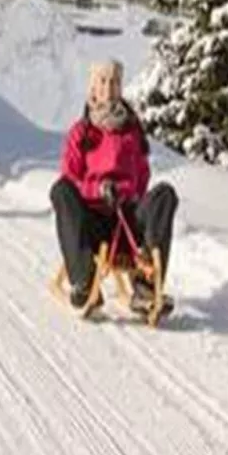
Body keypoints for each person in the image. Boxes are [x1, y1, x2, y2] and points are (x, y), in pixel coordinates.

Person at [50, 59, 177, 319]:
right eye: (103, 81)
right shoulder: (81, 132)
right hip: (93, 217)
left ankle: (145, 287)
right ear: (93, 88)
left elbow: (143, 174)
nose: (109, 87)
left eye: (115, 81)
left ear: (121, 88)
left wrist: (129, 194)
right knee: (61, 190)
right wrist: (98, 189)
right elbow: (72, 178)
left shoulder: (132, 130)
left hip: (127, 218)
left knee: (164, 194)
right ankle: (84, 283)